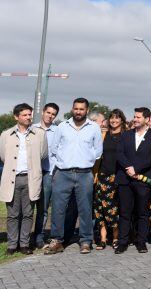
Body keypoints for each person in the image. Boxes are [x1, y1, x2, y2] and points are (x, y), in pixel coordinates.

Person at [45, 97, 103, 254]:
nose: (78, 111)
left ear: (87, 110)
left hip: (85, 174)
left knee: (85, 209)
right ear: (72, 109)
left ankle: (85, 241)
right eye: (76, 108)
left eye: (81, 109)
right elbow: (54, 148)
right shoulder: (62, 126)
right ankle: (57, 240)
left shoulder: (94, 128)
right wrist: (63, 163)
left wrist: (85, 159)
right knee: (58, 208)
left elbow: (98, 151)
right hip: (63, 174)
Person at [0, 103, 48, 255]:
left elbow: (43, 154)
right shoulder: (6, 135)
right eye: (25, 115)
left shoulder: (39, 134)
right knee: (12, 214)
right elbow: (2, 156)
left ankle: (24, 244)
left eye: (29, 114)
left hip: (30, 178)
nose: (29, 117)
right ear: (16, 117)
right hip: (12, 178)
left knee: (28, 213)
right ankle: (12, 244)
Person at [115, 107, 151, 254]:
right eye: (134, 117)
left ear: (147, 119)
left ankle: (141, 241)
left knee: (143, 212)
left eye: (138, 117)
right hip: (125, 178)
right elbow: (120, 153)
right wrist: (128, 167)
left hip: (143, 179)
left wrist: (137, 169)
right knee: (124, 212)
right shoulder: (126, 135)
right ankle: (123, 241)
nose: (135, 119)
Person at [93, 109, 127, 249]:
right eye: (112, 118)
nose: (114, 121)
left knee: (114, 208)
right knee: (100, 208)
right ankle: (103, 237)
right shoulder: (103, 134)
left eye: (117, 118)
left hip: (117, 176)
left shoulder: (126, 135)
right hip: (102, 175)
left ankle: (116, 237)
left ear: (122, 120)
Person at [33, 102, 59, 248]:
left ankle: (47, 237)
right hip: (35, 172)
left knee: (51, 207)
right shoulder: (33, 129)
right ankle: (34, 237)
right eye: (48, 112)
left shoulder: (57, 131)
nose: (50, 116)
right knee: (37, 208)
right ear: (43, 112)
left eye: (53, 114)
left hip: (51, 172)